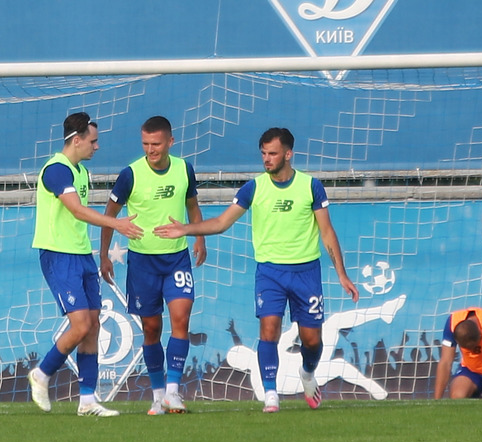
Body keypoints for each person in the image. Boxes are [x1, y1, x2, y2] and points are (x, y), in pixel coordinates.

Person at [153, 127, 359, 413]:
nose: (267, 159)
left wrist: (342, 274)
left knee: (312, 340)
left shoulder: (311, 186)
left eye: (273, 153)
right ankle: (271, 394)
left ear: (288, 154)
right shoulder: (253, 187)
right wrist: (187, 229)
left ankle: (308, 373)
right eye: (263, 153)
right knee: (269, 328)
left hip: (306, 273)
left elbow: (327, 232)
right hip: (270, 273)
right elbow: (222, 222)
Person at [29, 112, 143, 416]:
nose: (97, 146)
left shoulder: (81, 172)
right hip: (58, 255)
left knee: (92, 326)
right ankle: (42, 374)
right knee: (80, 325)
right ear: (76, 140)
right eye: (93, 141)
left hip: (82, 255)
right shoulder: (56, 170)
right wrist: (116, 223)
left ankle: (88, 401)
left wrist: (101, 256)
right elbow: (77, 211)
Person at [99, 116, 207, 415]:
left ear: (170, 142)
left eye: (156, 144)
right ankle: (158, 396)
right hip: (142, 262)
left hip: (176, 258)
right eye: (145, 144)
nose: (150, 150)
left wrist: (199, 238)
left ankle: (173, 392)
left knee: (181, 318)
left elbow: (192, 206)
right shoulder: (130, 174)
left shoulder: (184, 169)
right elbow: (109, 215)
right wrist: (104, 255)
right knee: (151, 328)